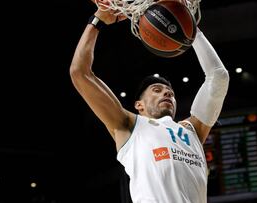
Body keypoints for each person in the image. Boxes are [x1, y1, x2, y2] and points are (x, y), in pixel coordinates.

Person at [69, 0, 229, 202]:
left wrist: (191, 29)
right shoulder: (129, 127)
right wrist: (98, 20)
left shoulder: (192, 131)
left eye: (170, 92)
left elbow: (218, 77)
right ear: (139, 105)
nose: (167, 94)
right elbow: (80, 73)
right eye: (157, 90)